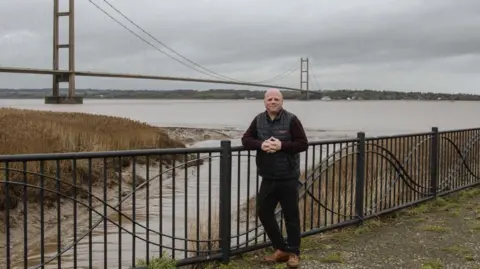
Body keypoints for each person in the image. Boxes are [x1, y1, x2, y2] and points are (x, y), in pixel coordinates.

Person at [241, 88, 308, 268]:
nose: (273, 101)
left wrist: (281, 145)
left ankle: (294, 253)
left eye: (276, 99)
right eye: (269, 99)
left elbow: (302, 144)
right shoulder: (258, 119)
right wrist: (261, 144)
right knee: (263, 212)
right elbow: (246, 140)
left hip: (288, 176)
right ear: (264, 102)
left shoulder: (292, 120)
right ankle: (281, 248)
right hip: (268, 177)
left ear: (282, 101)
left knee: (291, 216)